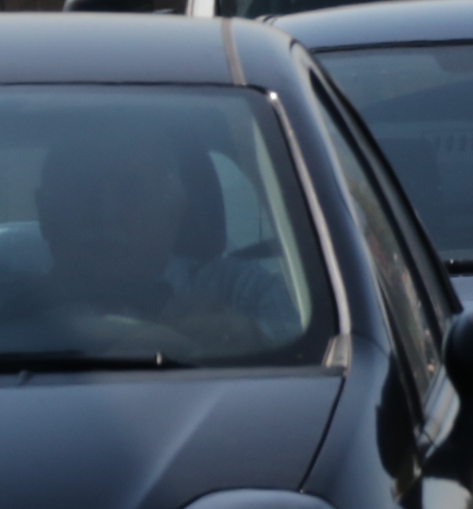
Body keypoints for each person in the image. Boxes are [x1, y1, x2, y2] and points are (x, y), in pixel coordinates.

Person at [34, 123, 305, 355]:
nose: (105, 212)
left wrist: (251, 337)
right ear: (45, 213)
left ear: (175, 212)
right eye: (82, 187)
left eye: (129, 188)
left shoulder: (242, 293)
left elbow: (307, 360)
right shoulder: (9, 304)